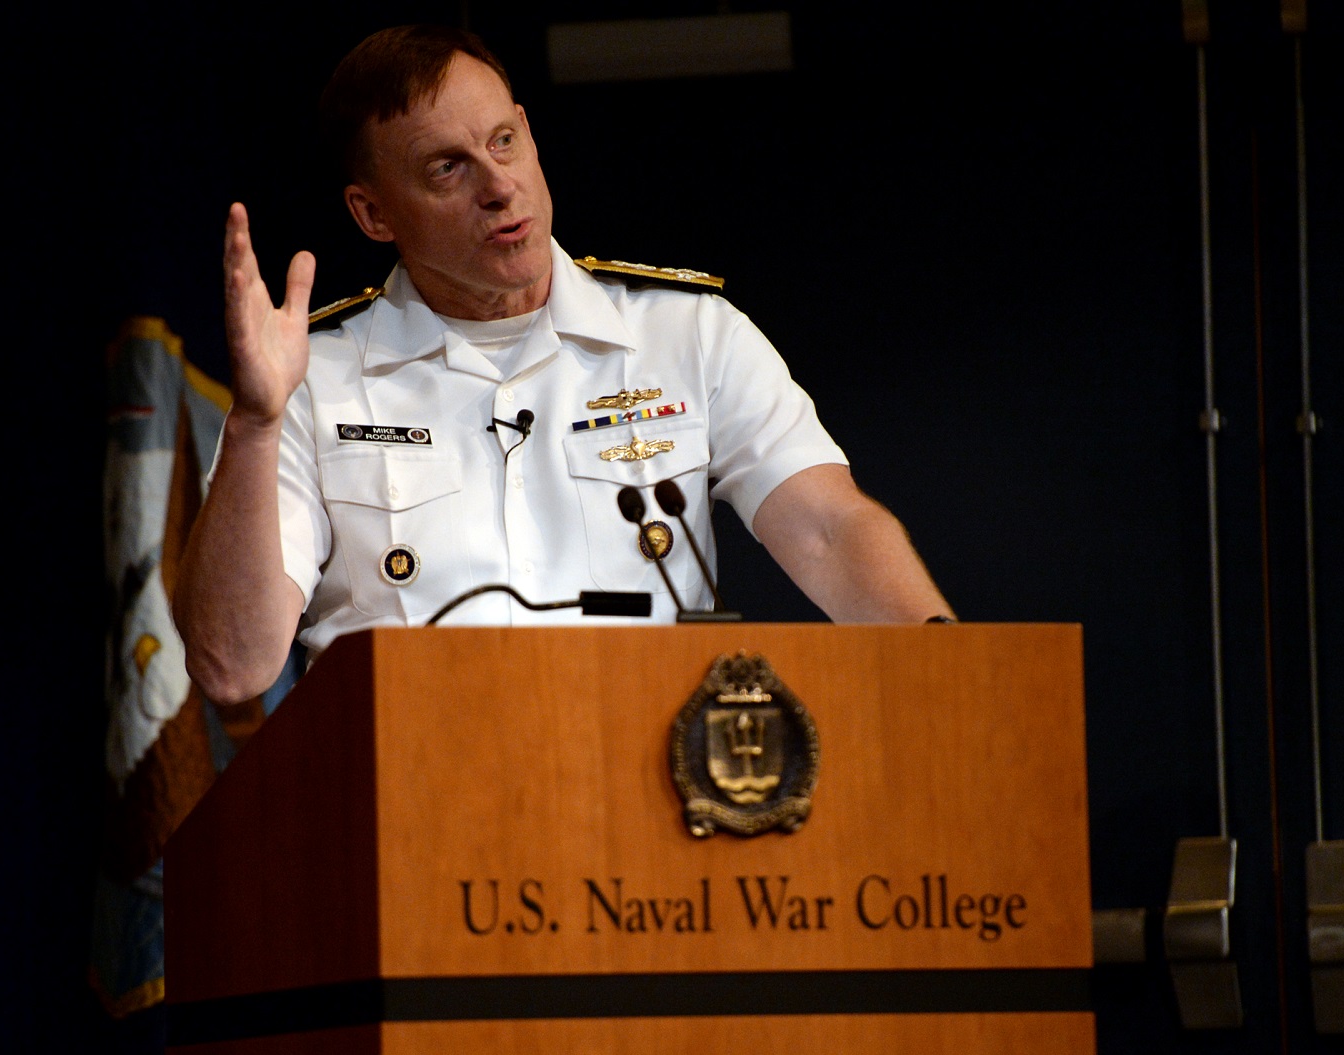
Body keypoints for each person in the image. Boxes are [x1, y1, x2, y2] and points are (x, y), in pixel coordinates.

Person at [174, 25, 953, 706]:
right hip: (404, 812)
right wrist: (255, 423)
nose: (499, 185)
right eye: (448, 168)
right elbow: (233, 665)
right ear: (374, 213)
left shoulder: (688, 334)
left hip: (656, 803)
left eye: (503, 141)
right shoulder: (313, 384)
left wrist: (956, 665)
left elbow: (826, 528)